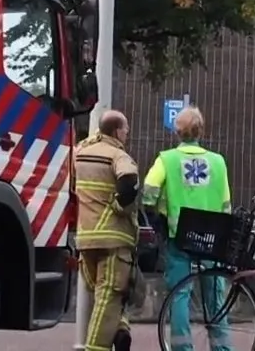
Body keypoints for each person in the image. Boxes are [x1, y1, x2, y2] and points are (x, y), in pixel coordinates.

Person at [142, 105, 233, 351]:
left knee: (180, 294)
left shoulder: (167, 159)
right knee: (215, 296)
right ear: (201, 131)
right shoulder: (218, 162)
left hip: (180, 236)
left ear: (177, 131)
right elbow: (226, 203)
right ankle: (222, 348)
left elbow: (149, 191)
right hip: (213, 237)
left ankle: (182, 348)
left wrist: (158, 210)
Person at [74, 110, 142, 351]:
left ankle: (121, 327)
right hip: (114, 239)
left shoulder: (80, 152)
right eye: (125, 129)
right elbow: (129, 184)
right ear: (116, 131)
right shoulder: (118, 155)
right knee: (109, 295)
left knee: (101, 294)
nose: (127, 133)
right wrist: (119, 205)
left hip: (85, 239)